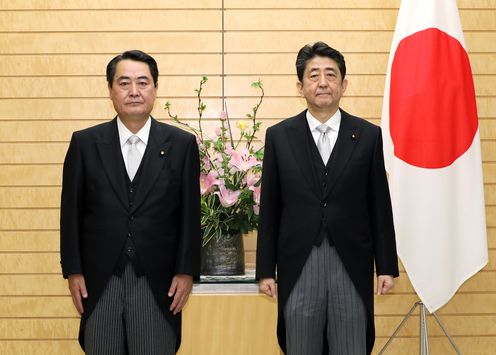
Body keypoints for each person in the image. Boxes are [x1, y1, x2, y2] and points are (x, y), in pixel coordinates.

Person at [256, 42, 399, 355]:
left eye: (331, 75)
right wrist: (266, 269)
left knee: (351, 343)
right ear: (300, 85)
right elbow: (269, 209)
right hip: (298, 262)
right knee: (300, 344)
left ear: (344, 84)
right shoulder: (280, 136)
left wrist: (386, 266)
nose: (322, 82)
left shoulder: (367, 135)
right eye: (313, 75)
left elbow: (379, 204)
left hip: (351, 261)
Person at [60, 50, 201, 354]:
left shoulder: (181, 144)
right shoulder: (85, 143)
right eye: (124, 83)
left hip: (158, 280)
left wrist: (186, 271)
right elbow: (70, 212)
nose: (134, 91)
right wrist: (73, 270)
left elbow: (190, 216)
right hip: (99, 280)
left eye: (143, 82)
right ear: (110, 89)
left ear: (155, 88)